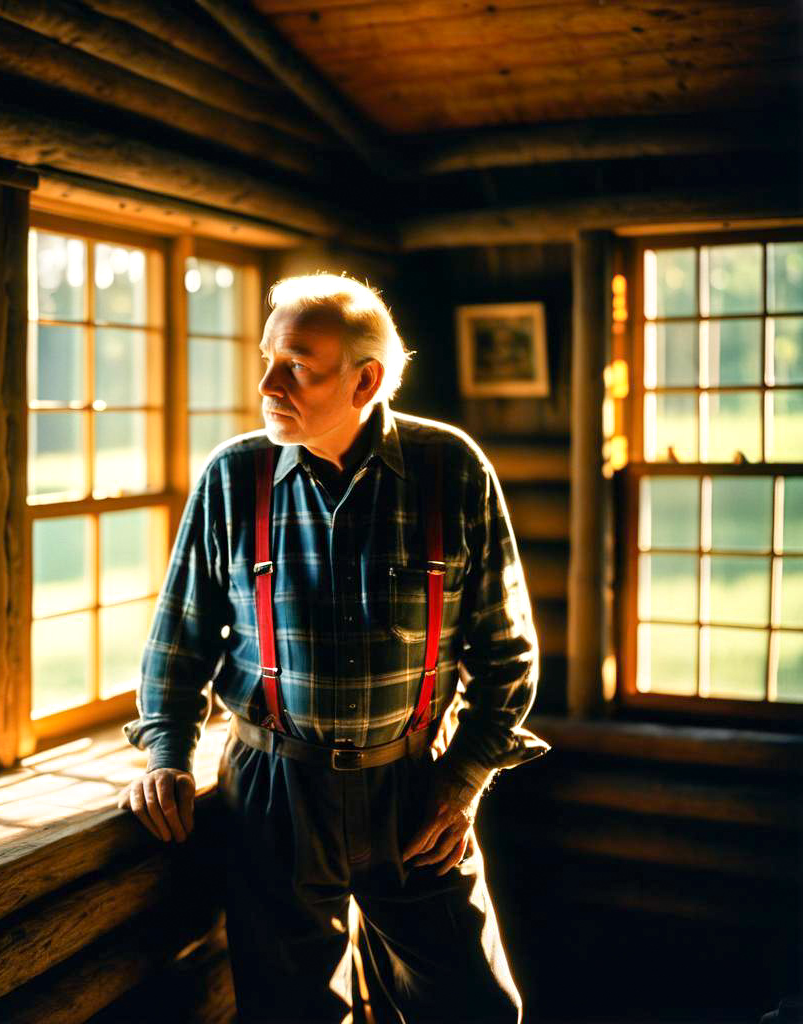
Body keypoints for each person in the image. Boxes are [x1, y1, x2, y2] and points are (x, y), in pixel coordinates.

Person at [120, 272, 551, 1023]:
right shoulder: (233, 477)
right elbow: (178, 644)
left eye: (295, 365)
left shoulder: (449, 469)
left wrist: (464, 782)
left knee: (476, 1010)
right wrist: (165, 758)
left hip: (416, 786)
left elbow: (507, 652)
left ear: (366, 379)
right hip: (274, 793)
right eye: (267, 358)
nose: (266, 383)